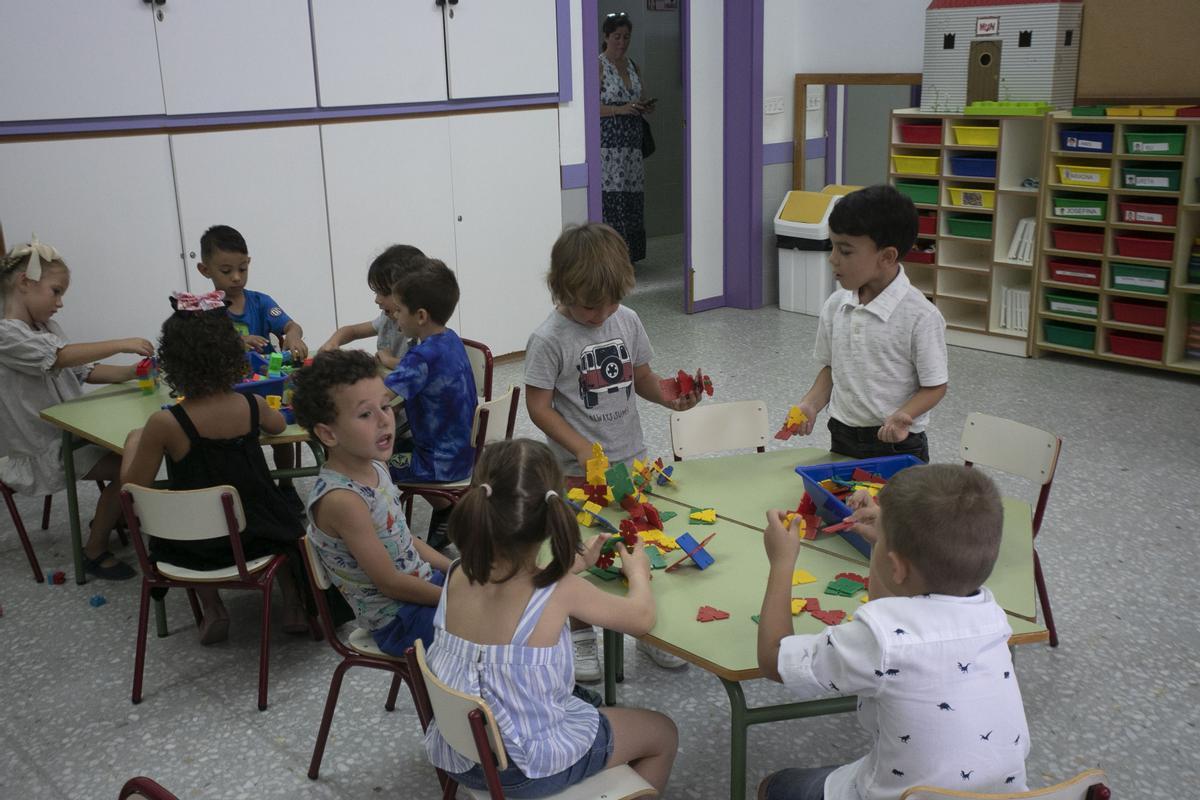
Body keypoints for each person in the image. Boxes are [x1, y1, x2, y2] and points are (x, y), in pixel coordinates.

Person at [756, 464, 1030, 800]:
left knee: (775, 786)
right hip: (1000, 796)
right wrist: (882, 545)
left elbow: (773, 659)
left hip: (896, 795)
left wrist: (782, 562)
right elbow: (891, 608)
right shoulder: (993, 616)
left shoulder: (879, 640)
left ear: (897, 565)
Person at [423, 438, 677, 798]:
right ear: (553, 516)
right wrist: (637, 573)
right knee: (662, 732)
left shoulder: (457, 573)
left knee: (587, 700)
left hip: (461, 754)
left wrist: (576, 564)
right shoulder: (561, 590)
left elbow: (522, 582)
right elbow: (641, 618)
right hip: (528, 768)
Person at [524, 222, 702, 680]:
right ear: (561, 289)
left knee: (637, 545)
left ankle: (646, 631)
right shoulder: (548, 339)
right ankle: (581, 634)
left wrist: (669, 396)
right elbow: (539, 408)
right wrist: (582, 449)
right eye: (588, 305)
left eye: (611, 302)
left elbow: (641, 377)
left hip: (632, 462)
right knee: (580, 555)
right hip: (574, 474)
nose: (601, 313)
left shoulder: (627, 320)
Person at [121, 291, 312, 643]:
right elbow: (279, 427)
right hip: (259, 536)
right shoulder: (250, 405)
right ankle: (294, 605)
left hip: (192, 546)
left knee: (184, 522)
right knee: (289, 529)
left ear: (173, 364)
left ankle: (212, 608)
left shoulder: (164, 425)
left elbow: (132, 492)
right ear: (235, 358)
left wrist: (134, 443)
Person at [0, 238, 153, 580]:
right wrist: (120, 343)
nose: (60, 303)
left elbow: (82, 370)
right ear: (25, 283)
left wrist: (131, 372)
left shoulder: (44, 328)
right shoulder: (5, 335)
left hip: (72, 435)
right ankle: (94, 549)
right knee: (127, 466)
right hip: (42, 448)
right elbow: (60, 357)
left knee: (135, 450)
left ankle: (113, 512)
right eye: (55, 292)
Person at [291, 349, 451, 656]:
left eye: (386, 406)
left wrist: (455, 567)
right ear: (328, 433)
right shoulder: (343, 500)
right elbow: (390, 584)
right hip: (399, 620)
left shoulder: (376, 465)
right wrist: (454, 598)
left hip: (421, 587)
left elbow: (405, 538)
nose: (384, 420)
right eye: (366, 414)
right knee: (492, 624)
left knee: (507, 590)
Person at [789, 185, 947, 463]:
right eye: (833, 246)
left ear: (887, 256)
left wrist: (904, 415)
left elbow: (935, 386)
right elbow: (832, 367)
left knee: (897, 508)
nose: (832, 258)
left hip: (897, 443)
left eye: (845, 251)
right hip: (843, 434)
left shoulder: (920, 316)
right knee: (845, 505)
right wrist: (811, 404)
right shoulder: (836, 305)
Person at [195, 224, 310, 507]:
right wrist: (238, 342)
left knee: (284, 432)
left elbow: (290, 324)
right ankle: (248, 488)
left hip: (269, 385)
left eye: (243, 269)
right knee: (234, 444)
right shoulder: (203, 310)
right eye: (226, 271)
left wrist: (293, 335)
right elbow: (200, 350)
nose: (236, 277)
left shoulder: (260, 301)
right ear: (204, 269)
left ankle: (286, 485)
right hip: (227, 391)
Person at [383, 257, 477, 548]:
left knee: (373, 464)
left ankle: (391, 539)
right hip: (463, 453)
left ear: (420, 316)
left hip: (437, 462)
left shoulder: (421, 357)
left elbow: (378, 396)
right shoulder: (450, 339)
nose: (395, 318)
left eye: (398, 311)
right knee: (398, 444)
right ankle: (445, 510)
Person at [599, 12, 655, 263]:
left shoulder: (633, 65)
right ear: (606, 37)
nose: (622, 42)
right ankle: (612, 260)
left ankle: (630, 258)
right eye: (617, 37)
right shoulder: (598, 65)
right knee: (613, 199)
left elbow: (639, 94)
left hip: (632, 146)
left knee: (632, 199)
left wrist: (643, 107)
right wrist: (620, 109)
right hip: (609, 146)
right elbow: (590, 108)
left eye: (626, 37)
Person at [318, 243, 425, 372]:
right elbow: (353, 331)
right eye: (376, 292)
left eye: (384, 293)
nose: (377, 300)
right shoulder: (387, 320)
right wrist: (333, 343)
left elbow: (421, 367)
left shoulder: (422, 328)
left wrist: (388, 360)